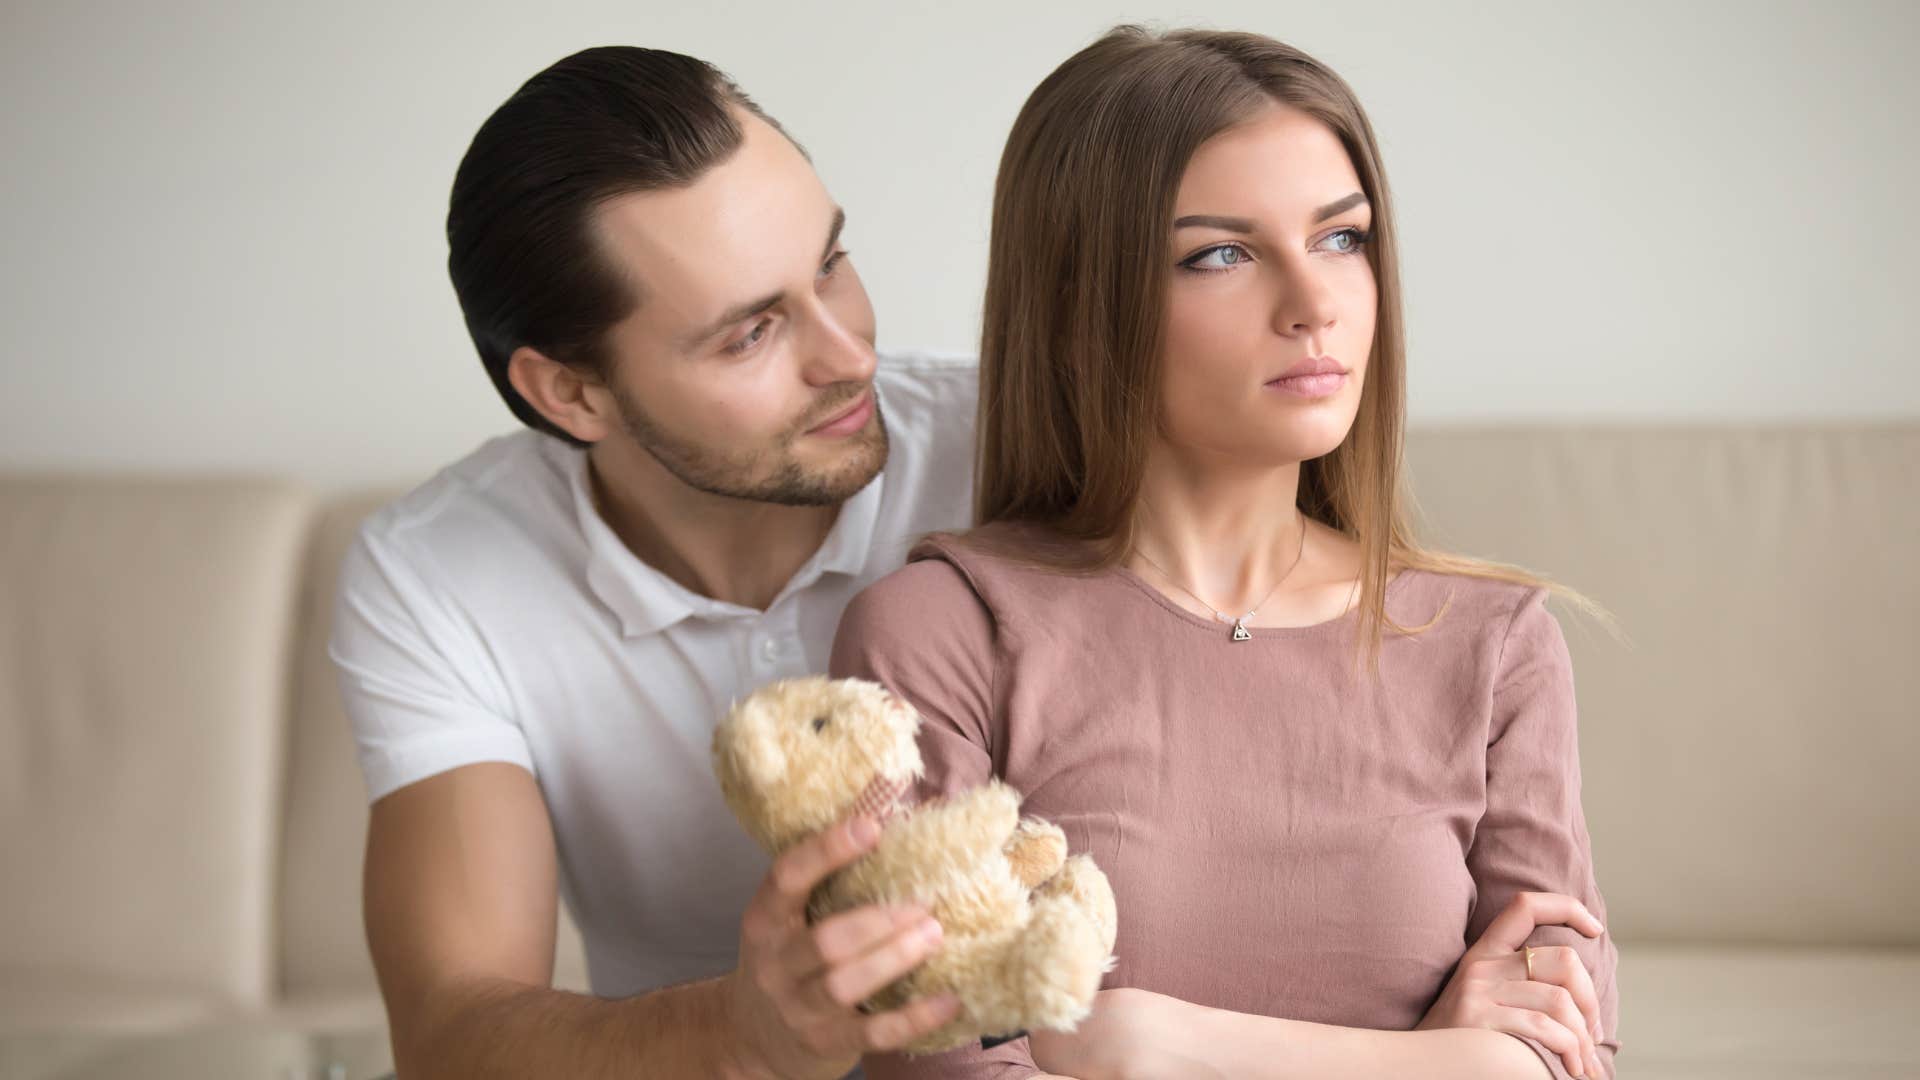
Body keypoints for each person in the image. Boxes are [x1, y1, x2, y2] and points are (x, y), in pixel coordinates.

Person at [832, 25, 1620, 1080]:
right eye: (1221, 255)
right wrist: (1428, 1059)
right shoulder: (940, 633)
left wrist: (1147, 1041)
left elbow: (1556, 1061)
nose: (1315, 304)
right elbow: (943, 1069)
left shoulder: (1496, 645)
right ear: (1078, 309)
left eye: (1343, 238)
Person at [329, 46, 975, 1079]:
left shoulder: (1020, 452)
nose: (850, 353)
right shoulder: (437, 574)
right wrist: (738, 1033)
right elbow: (450, 1033)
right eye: (751, 333)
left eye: (830, 266)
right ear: (570, 396)